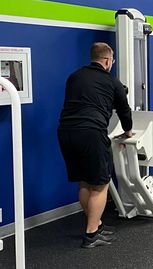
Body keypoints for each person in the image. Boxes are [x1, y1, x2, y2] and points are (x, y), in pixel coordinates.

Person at [57, 42, 133, 248]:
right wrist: (128, 131)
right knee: (100, 184)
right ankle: (91, 235)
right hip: (91, 133)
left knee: (85, 182)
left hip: (66, 132)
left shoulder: (74, 77)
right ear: (108, 61)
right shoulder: (112, 81)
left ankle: (96, 224)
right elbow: (124, 111)